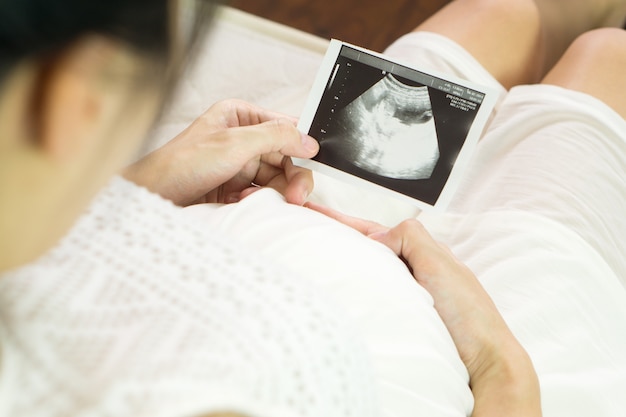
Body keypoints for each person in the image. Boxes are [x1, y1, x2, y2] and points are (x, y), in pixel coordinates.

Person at [0, 0, 625, 416]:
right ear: (71, 102)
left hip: (299, 203)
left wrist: (147, 182)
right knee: (606, 58)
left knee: (496, 12)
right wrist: (498, 359)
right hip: (483, 349)